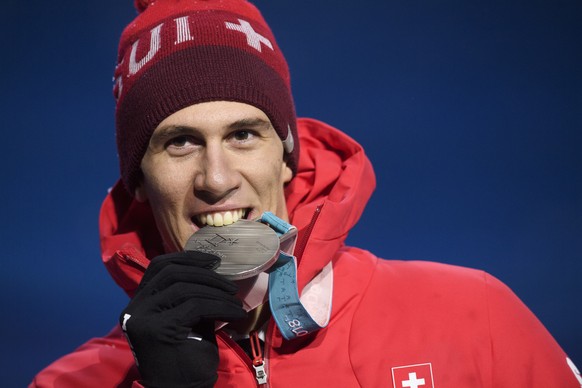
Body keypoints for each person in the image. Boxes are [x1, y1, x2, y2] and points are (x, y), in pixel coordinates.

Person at [31, 0, 582, 387]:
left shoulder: (475, 318)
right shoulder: (75, 384)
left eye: (243, 134)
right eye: (180, 143)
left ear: (288, 154)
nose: (217, 178)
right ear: (139, 181)